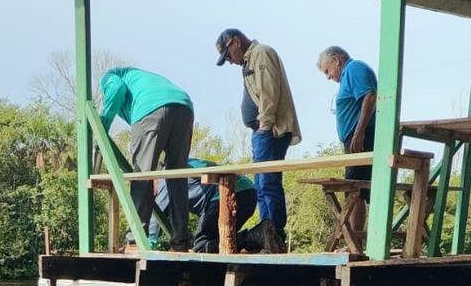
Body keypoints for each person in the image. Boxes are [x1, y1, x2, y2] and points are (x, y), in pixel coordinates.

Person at [215, 29, 301, 248]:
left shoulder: (261, 53)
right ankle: (267, 233)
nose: (230, 61)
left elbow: (269, 92)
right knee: (261, 184)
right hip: (263, 130)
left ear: (234, 42)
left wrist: (265, 125)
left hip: (271, 129)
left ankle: (274, 233)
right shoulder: (248, 60)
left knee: (268, 182)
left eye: (228, 55)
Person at [99, 67, 194, 250]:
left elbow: (116, 90)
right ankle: (180, 241)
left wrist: (104, 123)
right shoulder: (142, 78)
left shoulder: (110, 77)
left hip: (150, 110)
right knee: (177, 177)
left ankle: (135, 239)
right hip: (184, 107)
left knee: (142, 174)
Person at [317, 45, 377, 235]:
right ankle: (354, 241)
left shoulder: (354, 68)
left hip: (361, 137)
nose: (328, 76)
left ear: (337, 60)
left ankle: (354, 242)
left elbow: (370, 96)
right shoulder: (348, 75)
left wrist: (359, 133)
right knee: (355, 190)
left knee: (354, 190)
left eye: (327, 71)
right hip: (354, 138)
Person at [148, 158, 258, 253]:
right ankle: (260, 233)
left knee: (201, 246)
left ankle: (254, 236)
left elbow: (157, 217)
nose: (152, 195)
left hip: (228, 193)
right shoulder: (185, 162)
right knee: (217, 241)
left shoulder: (165, 174)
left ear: (154, 178)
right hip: (249, 192)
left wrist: (149, 245)